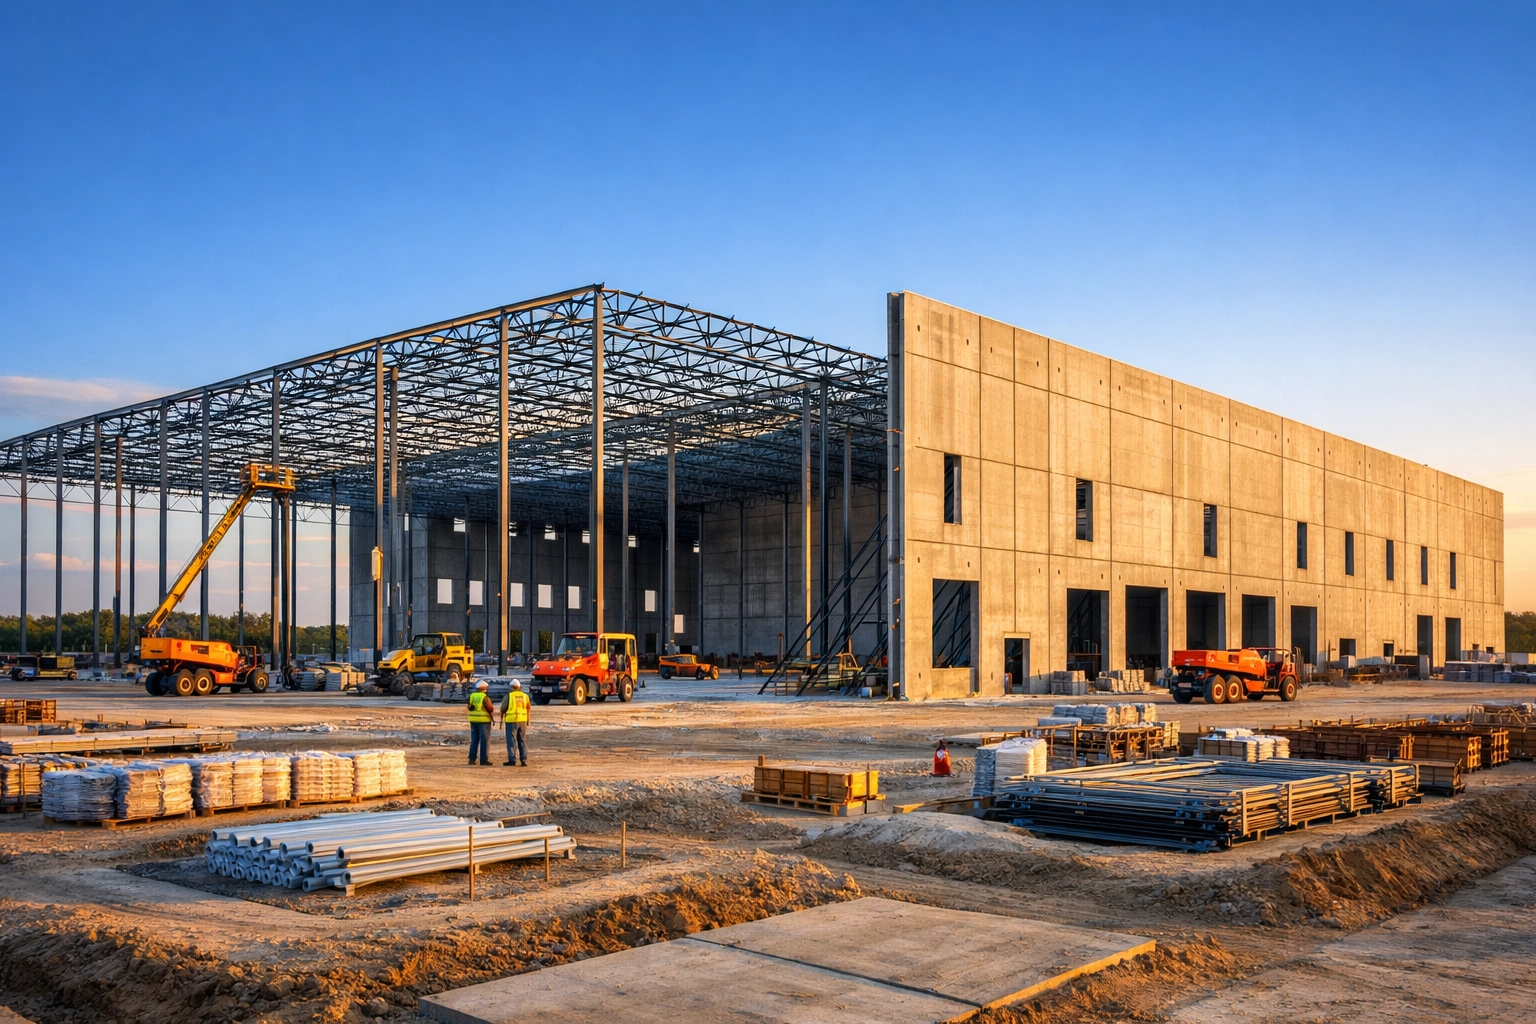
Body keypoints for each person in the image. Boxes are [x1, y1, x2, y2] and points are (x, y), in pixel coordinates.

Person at [501, 679, 531, 767]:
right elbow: (528, 708)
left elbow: (503, 708)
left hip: (511, 721)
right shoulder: (525, 696)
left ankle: (512, 759)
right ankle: (523, 760)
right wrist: (528, 720)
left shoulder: (509, 696)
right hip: (522, 721)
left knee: (511, 740)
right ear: (519, 687)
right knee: (522, 740)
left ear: (511, 687)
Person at [467, 680, 493, 766]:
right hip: (484, 720)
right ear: (484, 688)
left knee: (474, 739)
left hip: (473, 720)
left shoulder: (472, 695)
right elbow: (490, 708)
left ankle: (472, 759)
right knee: (484, 740)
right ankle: (483, 759)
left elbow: (469, 706)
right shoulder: (485, 697)